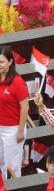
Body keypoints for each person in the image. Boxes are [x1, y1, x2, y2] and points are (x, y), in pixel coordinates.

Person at [0, 47, 28, 180]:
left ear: (10, 62)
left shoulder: (18, 82)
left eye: (1, 62)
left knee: (12, 166)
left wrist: (20, 131)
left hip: (13, 130)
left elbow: (25, 107)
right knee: (2, 163)